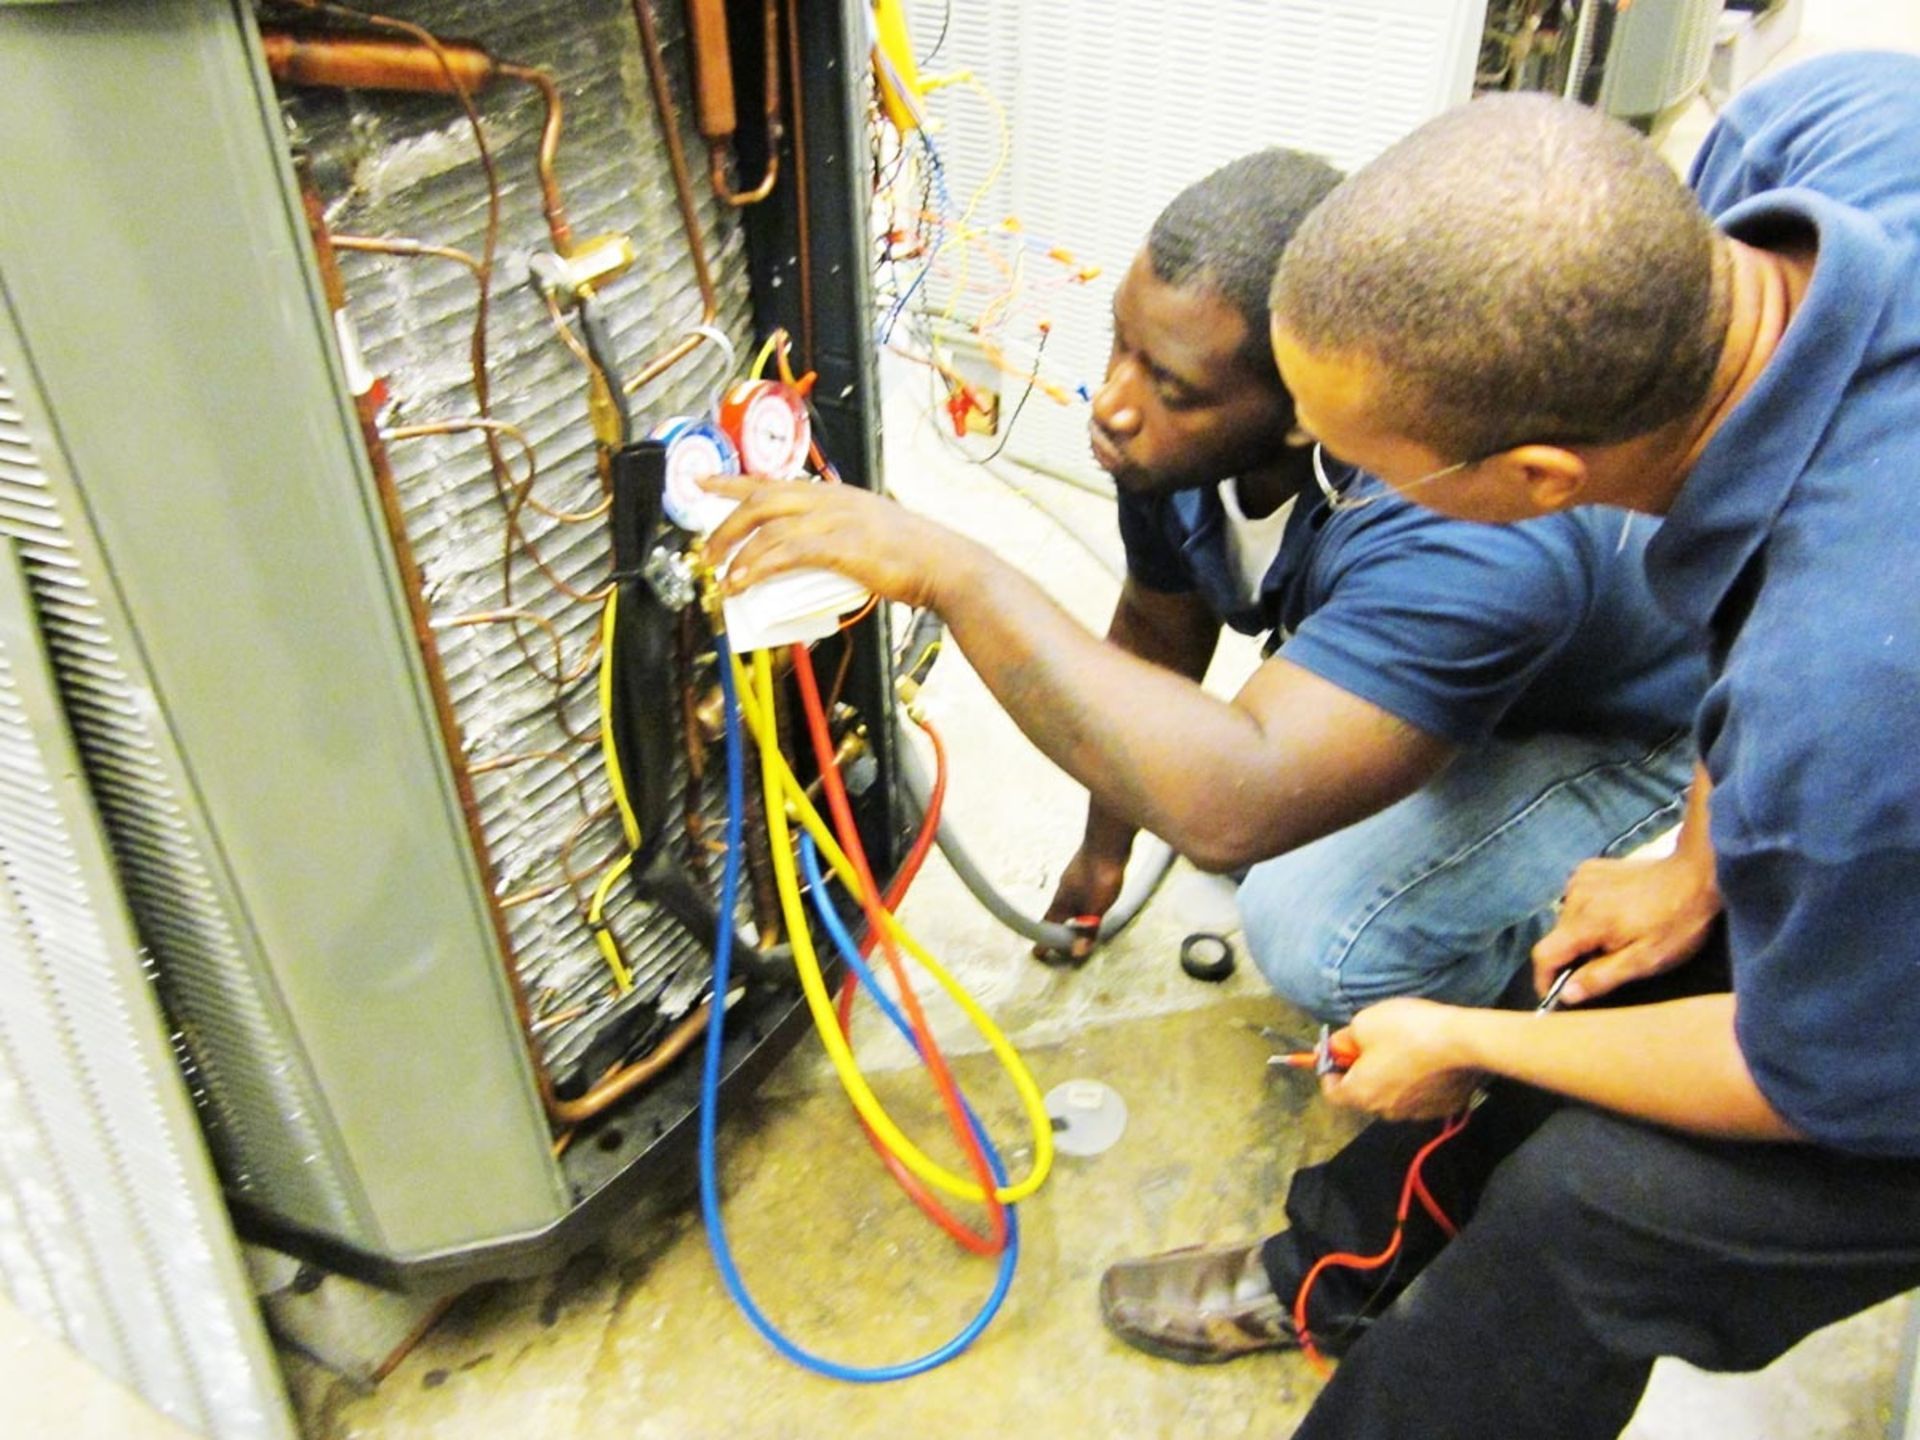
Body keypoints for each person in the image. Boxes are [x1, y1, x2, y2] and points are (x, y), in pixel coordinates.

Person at [1097, 51, 1920, 1439]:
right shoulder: (1824, 131)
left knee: (1585, 1213)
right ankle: (1334, 1270)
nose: (1348, 492)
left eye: (1379, 472)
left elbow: (1817, 1076)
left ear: (1540, 483)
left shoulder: (1844, 714)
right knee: (1597, 976)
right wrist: (1695, 867)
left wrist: (1472, 1039)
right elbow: (1775, 557)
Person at [711, 147, 1704, 1032]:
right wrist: (1107, 853)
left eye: (1172, 387)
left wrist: (952, 571)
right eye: (1121, 345)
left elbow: (1235, 805)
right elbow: (1154, 626)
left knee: (1314, 927)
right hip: (1470, 673)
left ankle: (1514, 1009)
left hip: (1616, 721)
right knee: (1222, 794)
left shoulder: (1451, 537)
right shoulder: (1167, 448)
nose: (1114, 403)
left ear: (1308, 412)